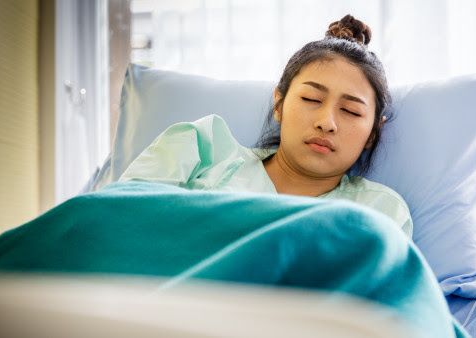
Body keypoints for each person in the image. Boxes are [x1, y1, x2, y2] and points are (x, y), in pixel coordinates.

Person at [119, 14, 412, 238]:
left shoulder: (380, 212)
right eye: (311, 98)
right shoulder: (201, 150)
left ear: (373, 134)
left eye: (350, 111)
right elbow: (114, 222)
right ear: (279, 103)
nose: (327, 123)